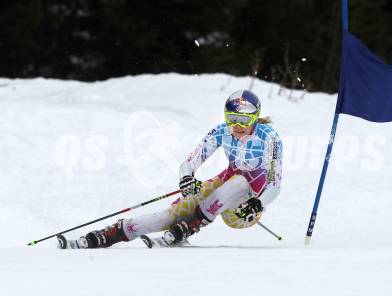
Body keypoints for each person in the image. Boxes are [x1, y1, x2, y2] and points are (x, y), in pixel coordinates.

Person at [71, 89, 283, 248]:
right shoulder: (221, 132)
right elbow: (190, 162)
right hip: (221, 192)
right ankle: (114, 232)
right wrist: (187, 177)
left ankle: (189, 227)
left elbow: (274, 185)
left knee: (239, 181)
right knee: (170, 215)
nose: (236, 125)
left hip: (247, 209)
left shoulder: (269, 137)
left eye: (243, 120)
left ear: (255, 117)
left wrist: (258, 203)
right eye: (231, 118)